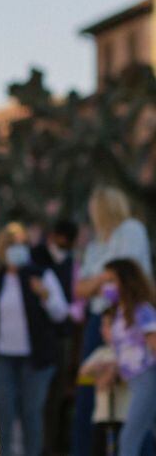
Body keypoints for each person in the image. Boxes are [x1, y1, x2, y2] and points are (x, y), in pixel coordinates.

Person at [73, 187, 153, 456]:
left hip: (127, 319)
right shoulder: (96, 244)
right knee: (90, 393)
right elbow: (81, 289)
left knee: (134, 416)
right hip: (103, 319)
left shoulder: (131, 230)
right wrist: (101, 281)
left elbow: (123, 274)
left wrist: (99, 282)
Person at [0, 222, 70, 456]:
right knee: (3, 415)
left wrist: (45, 295)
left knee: (31, 415)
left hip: (36, 359)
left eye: (22, 244)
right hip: (3, 357)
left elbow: (61, 313)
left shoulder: (41, 275)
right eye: (12, 245)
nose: (17, 249)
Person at [33, 218, 82, 456]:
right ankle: (43, 447)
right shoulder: (35, 258)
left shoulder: (71, 261)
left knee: (59, 397)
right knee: (41, 399)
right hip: (41, 338)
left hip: (64, 337)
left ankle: (56, 447)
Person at [102, 259, 156, 455]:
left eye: (111, 280)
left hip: (147, 382)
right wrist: (112, 373)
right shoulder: (120, 314)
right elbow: (124, 352)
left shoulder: (142, 310)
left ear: (126, 282)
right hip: (135, 382)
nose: (106, 287)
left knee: (129, 439)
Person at [78, 309, 131, 456]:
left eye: (107, 325)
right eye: (102, 325)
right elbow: (82, 376)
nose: (102, 330)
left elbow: (130, 378)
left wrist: (113, 373)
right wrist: (101, 372)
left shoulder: (128, 353)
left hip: (123, 417)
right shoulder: (101, 353)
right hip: (101, 417)